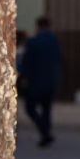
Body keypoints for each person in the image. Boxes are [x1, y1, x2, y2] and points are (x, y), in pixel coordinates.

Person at [19, 16, 63, 147]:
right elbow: (59, 59)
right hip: (51, 80)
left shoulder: (33, 41)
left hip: (35, 81)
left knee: (30, 107)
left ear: (38, 26)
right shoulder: (55, 41)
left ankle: (44, 132)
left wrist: (23, 77)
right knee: (46, 109)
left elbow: (27, 62)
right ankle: (46, 133)